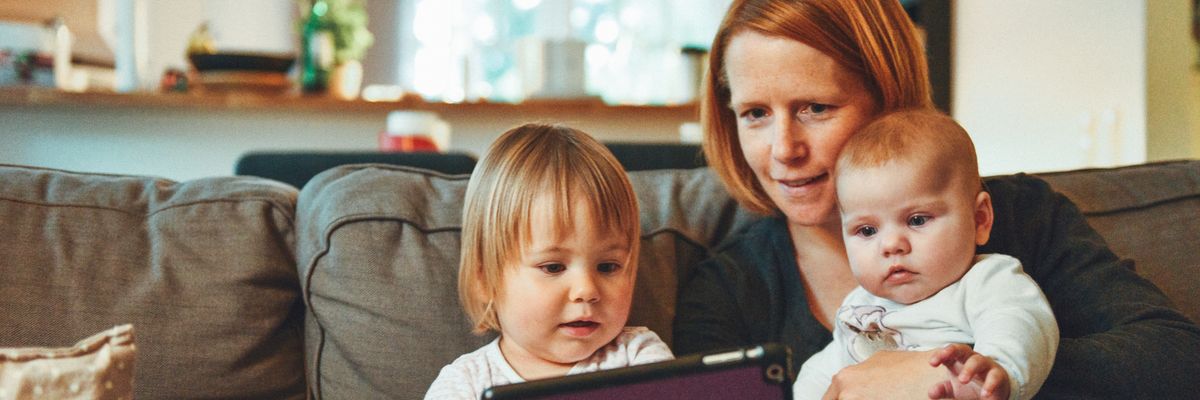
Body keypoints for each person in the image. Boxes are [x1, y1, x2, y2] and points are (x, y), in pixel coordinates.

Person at [672, 0, 1200, 398]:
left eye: (815, 107)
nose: (784, 149)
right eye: (755, 114)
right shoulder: (727, 289)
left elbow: (1177, 356)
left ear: (888, 98)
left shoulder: (1023, 217)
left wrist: (964, 376)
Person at [793, 109, 1058, 400]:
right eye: (867, 230)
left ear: (980, 219)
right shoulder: (860, 306)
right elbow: (827, 371)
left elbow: (1020, 324)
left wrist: (998, 373)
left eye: (917, 220)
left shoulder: (986, 281)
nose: (891, 245)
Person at [424, 123, 673, 400]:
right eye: (553, 267)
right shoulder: (465, 384)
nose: (586, 291)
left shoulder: (639, 358)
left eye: (607, 266)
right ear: (485, 279)